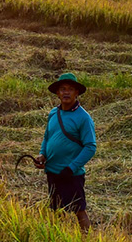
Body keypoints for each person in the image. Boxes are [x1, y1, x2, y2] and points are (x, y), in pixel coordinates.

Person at [34, 72, 97, 231]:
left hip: (72, 174)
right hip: (53, 171)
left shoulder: (84, 117)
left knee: (79, 210)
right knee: (56, 210)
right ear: (57, 93)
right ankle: (59, 239)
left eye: (70, 89)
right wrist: (42, 155)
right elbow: (47, 136)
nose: (66, 92)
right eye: (62, 89)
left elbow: (90, 146)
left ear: (77, 93)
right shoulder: (53, 113)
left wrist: (71, 167)